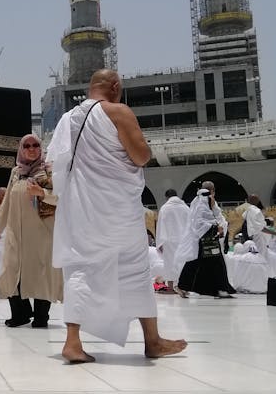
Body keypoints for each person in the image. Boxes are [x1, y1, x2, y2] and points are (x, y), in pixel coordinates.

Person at [47, 69, 187, 362]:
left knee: (83, 268)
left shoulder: (68, 119)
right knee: (135, 269)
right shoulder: (117, 111)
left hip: (81, 211)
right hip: (115, 211)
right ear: (115, 86)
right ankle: (152, 341)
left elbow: (55, 165)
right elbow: (140, 156)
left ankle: (73, 340)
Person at [0, 134, 61, 327]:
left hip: (42, 233)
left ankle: (41, 317)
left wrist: (42, 193)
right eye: (27, 146)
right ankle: (20, 314)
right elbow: (6, 202)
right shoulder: (16, 172)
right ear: (21, 149)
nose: (31, 149)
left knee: (41, 273)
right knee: (10, 271)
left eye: (35, 145)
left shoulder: (48, 171)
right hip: (16, 232)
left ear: (41, 148)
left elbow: (62, 197)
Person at [176, 183, 235, 299]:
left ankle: (184, 286)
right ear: (213, 190)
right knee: (217, 263)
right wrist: (215, 227)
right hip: (207, 237)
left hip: (203, 237)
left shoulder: (196, 200)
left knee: (198, 263)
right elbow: (201, 221)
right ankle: (221, 289)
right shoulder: (205, 199)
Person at [155, 188, 190, 293]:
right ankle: (184, 287)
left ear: (167, 197)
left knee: (170, 264)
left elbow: (160, 225)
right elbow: (190, 224)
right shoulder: (185, 208)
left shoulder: (165, 208)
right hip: (184, 240)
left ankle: (170, 288)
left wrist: (160, 242)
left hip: (169, 240)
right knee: (183, 263)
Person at [240, 195, 276, 273]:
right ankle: (263, 274)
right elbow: (261, 228)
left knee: (254, 257)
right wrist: (274, 233)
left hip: (250, 239)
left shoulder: (248, 210)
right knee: (261, 257)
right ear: (258, 201)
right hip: (258, 239)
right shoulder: (256, 211)